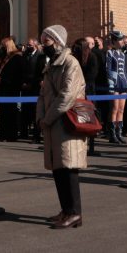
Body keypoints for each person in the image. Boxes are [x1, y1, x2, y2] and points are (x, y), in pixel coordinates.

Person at [37, 25, 86, 229]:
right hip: (53, 122)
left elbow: (67, 96)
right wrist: (40, 117)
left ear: (57, 42)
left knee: (68, 168)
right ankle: (66, 210)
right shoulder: (51, 65)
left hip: (66, 123)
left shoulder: (70, 63)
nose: (43, 45)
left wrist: (47, 118)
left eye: (46, 41)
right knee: (58, 168)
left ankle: (74, 212)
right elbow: (43, 94)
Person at [0, 37, 25, 142]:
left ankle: (11, 135)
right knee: (3, 112)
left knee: (11, 113)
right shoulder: (5, 57)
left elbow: (16, 75)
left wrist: (3, 80)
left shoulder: (17, 58)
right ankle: (2, 134)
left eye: (3, 46)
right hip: (3, 88)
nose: (1, 48)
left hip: (11, 88)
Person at [104, 32, 127, 144]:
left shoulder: (122, 54)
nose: (122, 42)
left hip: (123, 82)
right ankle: (112, 134)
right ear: (114, 41)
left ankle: (119, 133)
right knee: (114, 108)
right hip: (114, 83)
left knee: (121, 109)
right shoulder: (110, 53)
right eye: (120, 40)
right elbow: (108, 69)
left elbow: (124, 70)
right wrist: (110, 83)